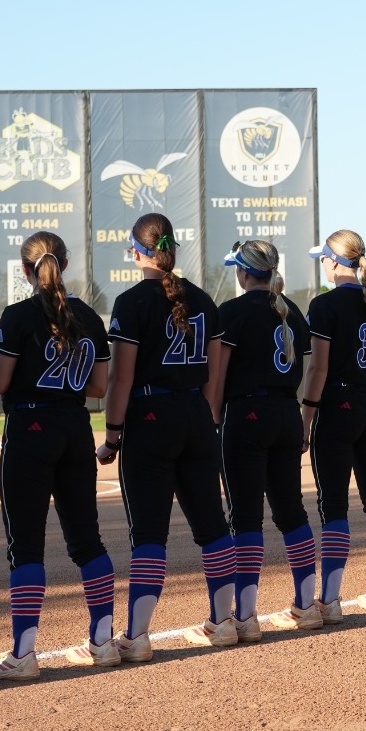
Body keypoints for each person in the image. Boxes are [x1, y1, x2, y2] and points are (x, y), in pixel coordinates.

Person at [96, 215, 239, 657]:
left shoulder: (131, 301)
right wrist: (205, 418)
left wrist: (113, 436)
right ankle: (224, 622)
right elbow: (213, 375)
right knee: (213, 525)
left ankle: (137, 636)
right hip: (196, 415)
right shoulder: (203, 299)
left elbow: (121, 379)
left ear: (137, 251)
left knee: (149, 533)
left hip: (150, 417)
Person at [0, 231, 118, 678]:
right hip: (75, 428)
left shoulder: (19, 315)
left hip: (30, 429)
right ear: (66, 263)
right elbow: (98, 387)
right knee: (87, 540)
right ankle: (103, 642)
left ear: (27, 269)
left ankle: (23, 654)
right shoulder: (88, 316)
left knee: (26, 546)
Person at [210, 239, 318, 635]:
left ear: (242, 272)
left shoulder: (232, 312)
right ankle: (307, 605)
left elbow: (218, 377)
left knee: (245, 516)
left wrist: (212, 420)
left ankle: (245, 616)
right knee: (292, 512)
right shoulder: (291, 310)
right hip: (287, 412)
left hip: (246, 415)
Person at [299, 230, 366, 617]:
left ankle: (329, 600)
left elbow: (318, 368)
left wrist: (306, 419)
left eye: (323, 259)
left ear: (332, 261)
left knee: (334, 506)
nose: (322, 265)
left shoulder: (324, 304)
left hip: (338, 405)